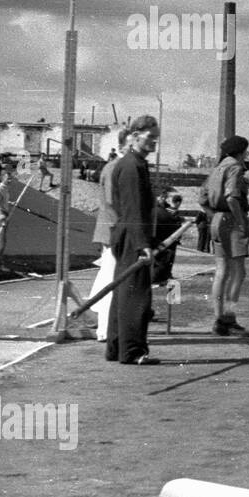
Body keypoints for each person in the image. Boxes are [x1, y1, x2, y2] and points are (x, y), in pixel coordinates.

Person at [106, 116, 160, 364]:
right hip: (131, 236)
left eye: (155, 138)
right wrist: (143, 244)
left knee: (123, 293)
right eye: (150, 137)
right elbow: (134, 208)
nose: (154, 143)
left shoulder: (134, 163)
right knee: (135, 295)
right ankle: (133, 351)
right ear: (136, 136)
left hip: (128, 234)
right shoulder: (131, 166)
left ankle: (117, 349)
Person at [201, 135, 249, 336]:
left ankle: (219, 318)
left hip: (217, 220)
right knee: (239, 272)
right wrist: (241, 222)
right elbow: (232, 197)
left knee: (221, 271)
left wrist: (215, 217)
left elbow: (202, 198)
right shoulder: (235, 168)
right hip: (231, 219)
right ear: (241, 151)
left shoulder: (217, 169)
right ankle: (228, 318)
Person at [88, 130, 128, 340]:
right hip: (114, 232)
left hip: (115, 230)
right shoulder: (115, 168)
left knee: (112, 278)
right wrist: (121, 232)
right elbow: (112, 203)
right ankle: (104, 328)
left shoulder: (119, 167)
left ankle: (108, 327)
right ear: (122, 146)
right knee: (110, 279)